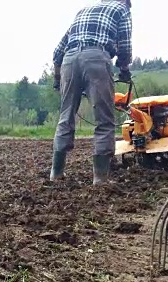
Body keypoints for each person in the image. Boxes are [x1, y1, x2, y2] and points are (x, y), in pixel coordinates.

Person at [50, 0, 133, 185]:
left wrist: (58, 80)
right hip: (96, 58)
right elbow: (125, 45)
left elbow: (57, 51)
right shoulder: (122, 8)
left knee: (66, 116)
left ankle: (56, 173)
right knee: (104, 119)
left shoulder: (84, 10)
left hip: (69, 61)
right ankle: (100, 179)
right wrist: (124, 69)